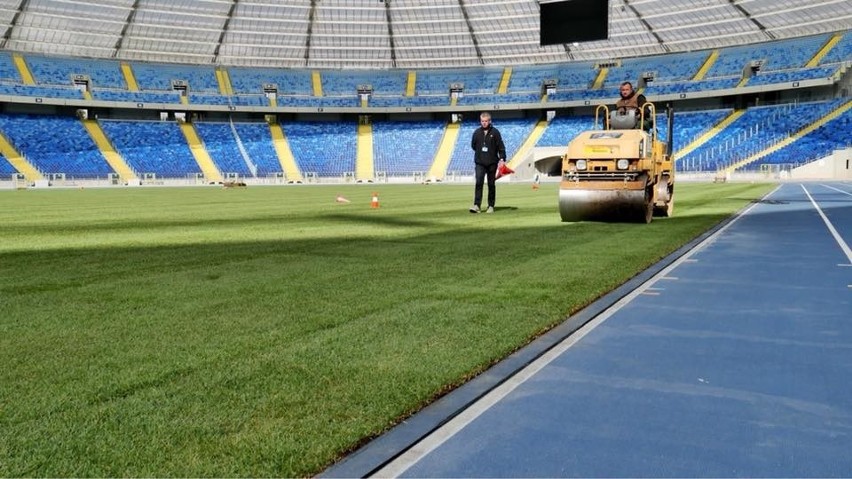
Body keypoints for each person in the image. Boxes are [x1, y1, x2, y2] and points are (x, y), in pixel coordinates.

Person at [469, 112, 506, 214]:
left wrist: (502, 159)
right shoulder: (476, 132)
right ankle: (477, 205)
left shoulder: (495, 132)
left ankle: (491, 206)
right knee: (479, 183)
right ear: (480, 121)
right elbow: (473, 146)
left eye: (486, 121)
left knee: (491, 184)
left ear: (490, 121)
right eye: (482, 121)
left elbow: (501, 147)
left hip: (492, 163)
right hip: (480, 163)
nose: (484, 123)